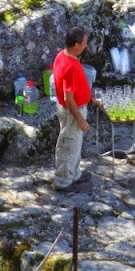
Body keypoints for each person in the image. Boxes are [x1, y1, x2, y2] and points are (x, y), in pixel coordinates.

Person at [52, 26, 92, 192]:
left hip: (71, 109)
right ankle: (63, 182)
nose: (86, 46)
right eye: (84, 42)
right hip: (72, 112)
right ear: (76, 45)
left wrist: (90, 97)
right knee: (68, 146)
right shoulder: (72, 66)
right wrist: (80, 119)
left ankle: (74, 175)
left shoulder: (62, 55)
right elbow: (69, 98)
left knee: (75, 145)